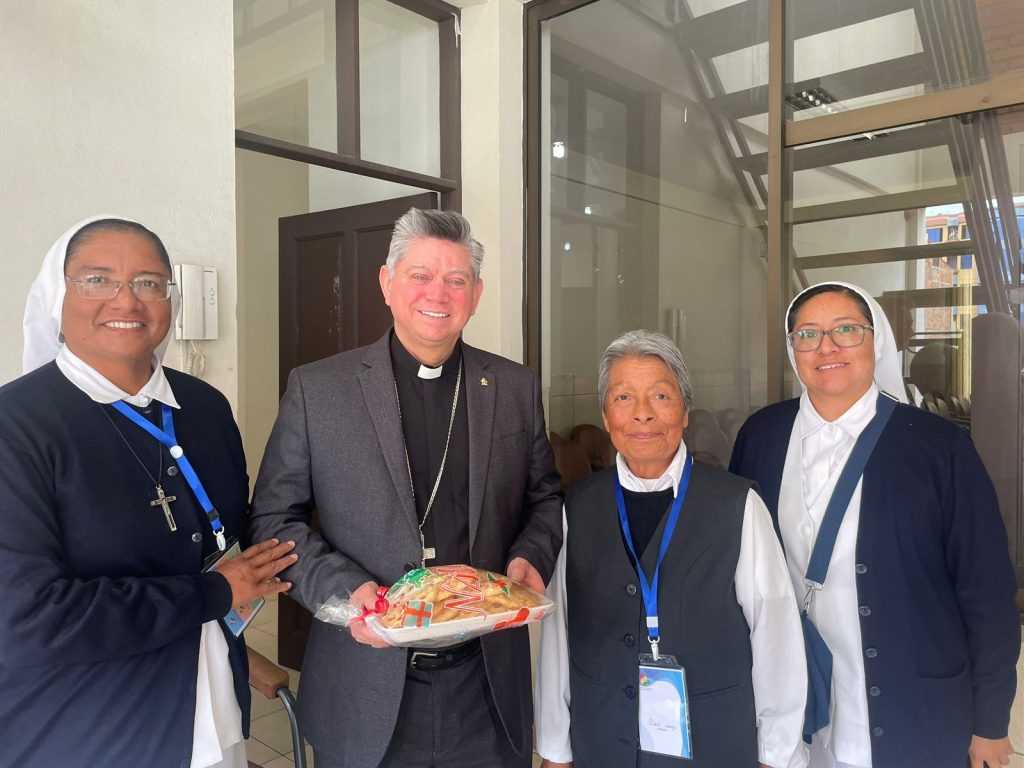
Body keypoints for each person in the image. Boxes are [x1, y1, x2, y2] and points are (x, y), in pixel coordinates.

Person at [249, 208, 563, 768]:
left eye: (456, 279)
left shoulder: (513, 386)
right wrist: (346, 590)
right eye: (420, 275)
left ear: (476, 295)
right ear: (387, 283)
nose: (437, 293)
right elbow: (274, 521)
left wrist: (531, 557)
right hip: (363, 686)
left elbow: (545, 498)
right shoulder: (319, 390)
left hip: (486, 686)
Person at [0, 216, 297, 768]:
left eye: (148, 282)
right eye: (97, 279)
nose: (126, 300)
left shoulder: (204, 408)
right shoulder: (15, 427)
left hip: (215, 707)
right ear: (57, 295)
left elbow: (231, 538)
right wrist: (212, 594)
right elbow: (25, 619)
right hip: (92, 732)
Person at [729, 281, 1019, 768]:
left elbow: (985, 588)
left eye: (846, 330)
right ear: (792, 349)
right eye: (808, 334)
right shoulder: (762, 435)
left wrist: (990, 721)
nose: (827, 347)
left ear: (875, 339)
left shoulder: (937, 446)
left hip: (910, 706)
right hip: (792, 704)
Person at [535, 330, 808, 768]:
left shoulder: (737, 505)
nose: (642, 413)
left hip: (714, 746)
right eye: (623, 397)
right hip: (601, 744)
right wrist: (554, 747)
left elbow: (776, 635)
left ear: (685, 412)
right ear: (606, 416)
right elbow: (559, 633)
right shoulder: (577, 505)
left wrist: (777, 754)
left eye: (660, 396)